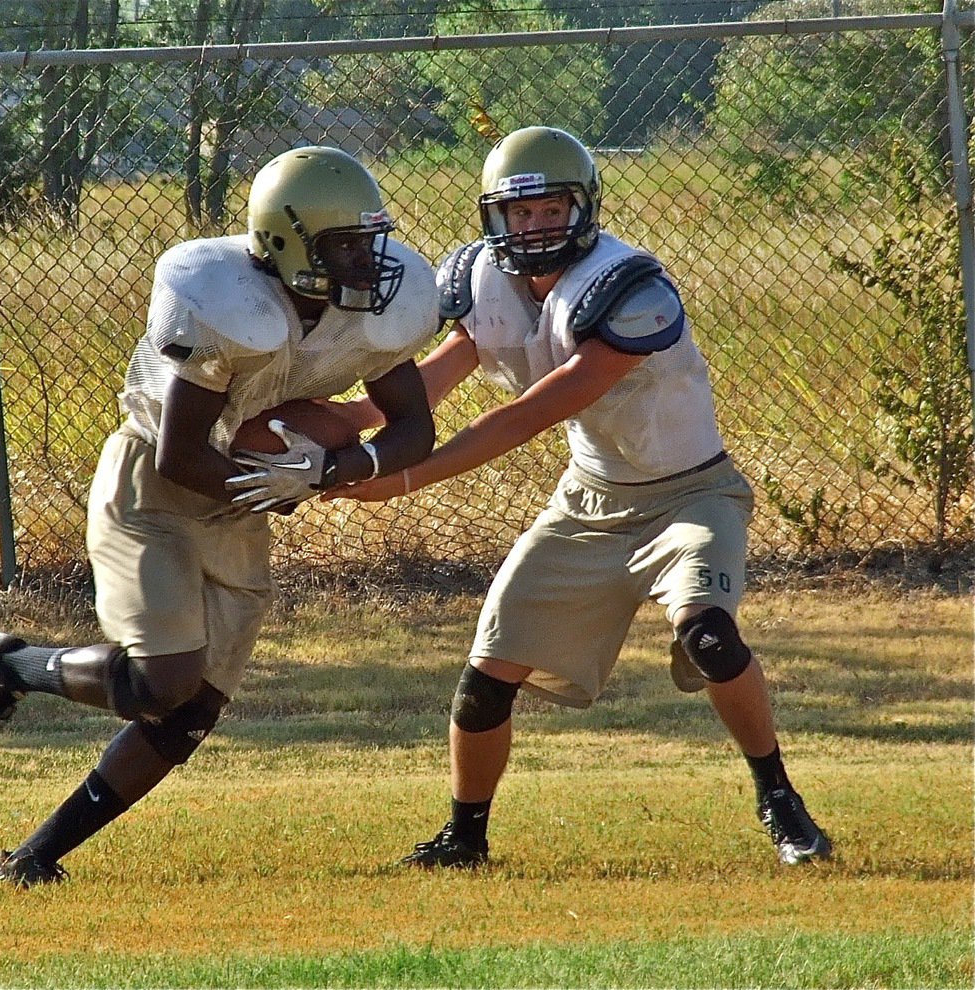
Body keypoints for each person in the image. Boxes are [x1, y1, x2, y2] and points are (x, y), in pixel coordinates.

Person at [328, 126, 832, 869]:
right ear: (494, 218)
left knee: (711, 636)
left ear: (583, 209)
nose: (533, 228)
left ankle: (780, 801)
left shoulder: (628, 287)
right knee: (485, 677)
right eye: (518, 214)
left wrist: (399, 479)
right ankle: (465, 835)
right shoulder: (486, 284)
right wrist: (326, 434)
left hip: (691, 494)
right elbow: (419, 391)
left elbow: (529, 414)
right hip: (590, 501)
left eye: (549, 211)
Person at [0, 146, 438, 887]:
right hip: (157, 489)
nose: (368, 261)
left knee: (190, 713)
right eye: (347, 246)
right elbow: (181, 455)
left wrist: (334, 469)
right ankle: (8, 665)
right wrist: (284, 484)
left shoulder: (371, 310)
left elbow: (413, 429)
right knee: (162, 681)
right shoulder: (224, 303)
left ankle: (34, 859)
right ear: (288, 241)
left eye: (371, 241)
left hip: (240, 499)